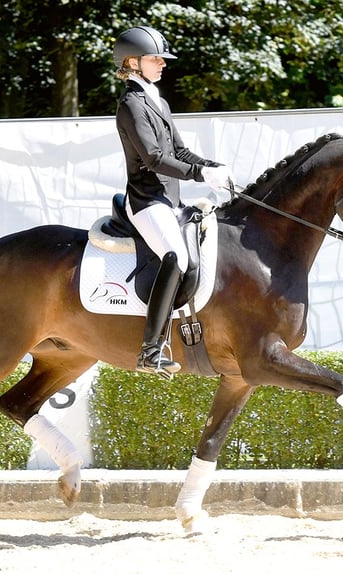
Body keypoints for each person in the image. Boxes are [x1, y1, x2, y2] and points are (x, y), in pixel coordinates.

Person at [113, 25, 233, 378]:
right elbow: (153, 158)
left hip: (170, 200)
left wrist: (210, 166)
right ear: (132, 63)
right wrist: (198, 176)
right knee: (177, 257)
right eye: (155, 58)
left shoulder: (157, 100)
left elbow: (178, 150)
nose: (163, 64)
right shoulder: (131, 105)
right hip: (148, 201)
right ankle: (150, 350)